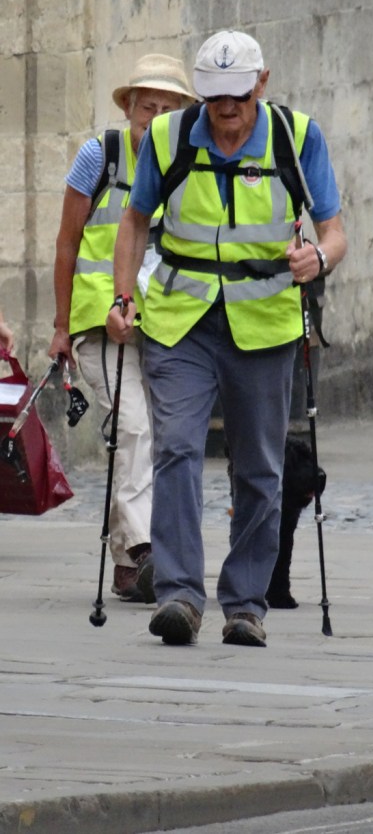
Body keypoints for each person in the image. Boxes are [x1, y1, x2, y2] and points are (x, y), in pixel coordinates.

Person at [107, 29, 347, 645]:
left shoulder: (297, 137)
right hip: (179, 322)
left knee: (260, 468)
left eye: (238, 96)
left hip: (263, 325)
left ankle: (245, 605)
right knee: (177, 450)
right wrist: (123, 296)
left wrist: (317, 258)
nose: (227, 111)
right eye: (214, 98)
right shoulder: (167, 138)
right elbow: (134, 223)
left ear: (261, 84)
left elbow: (336, 231)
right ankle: (181, 597)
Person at [48, 54, 195, 602]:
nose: (154, 116)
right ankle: (141, 551)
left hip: (163, 321)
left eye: (167, 108)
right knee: (134, 426)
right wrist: (61, 326)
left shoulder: (187, 160)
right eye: (146, 105)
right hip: (96, 322)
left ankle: (129, 563)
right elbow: (66, 242)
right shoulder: (99, 156)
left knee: (154, 435)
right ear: (129, 107)